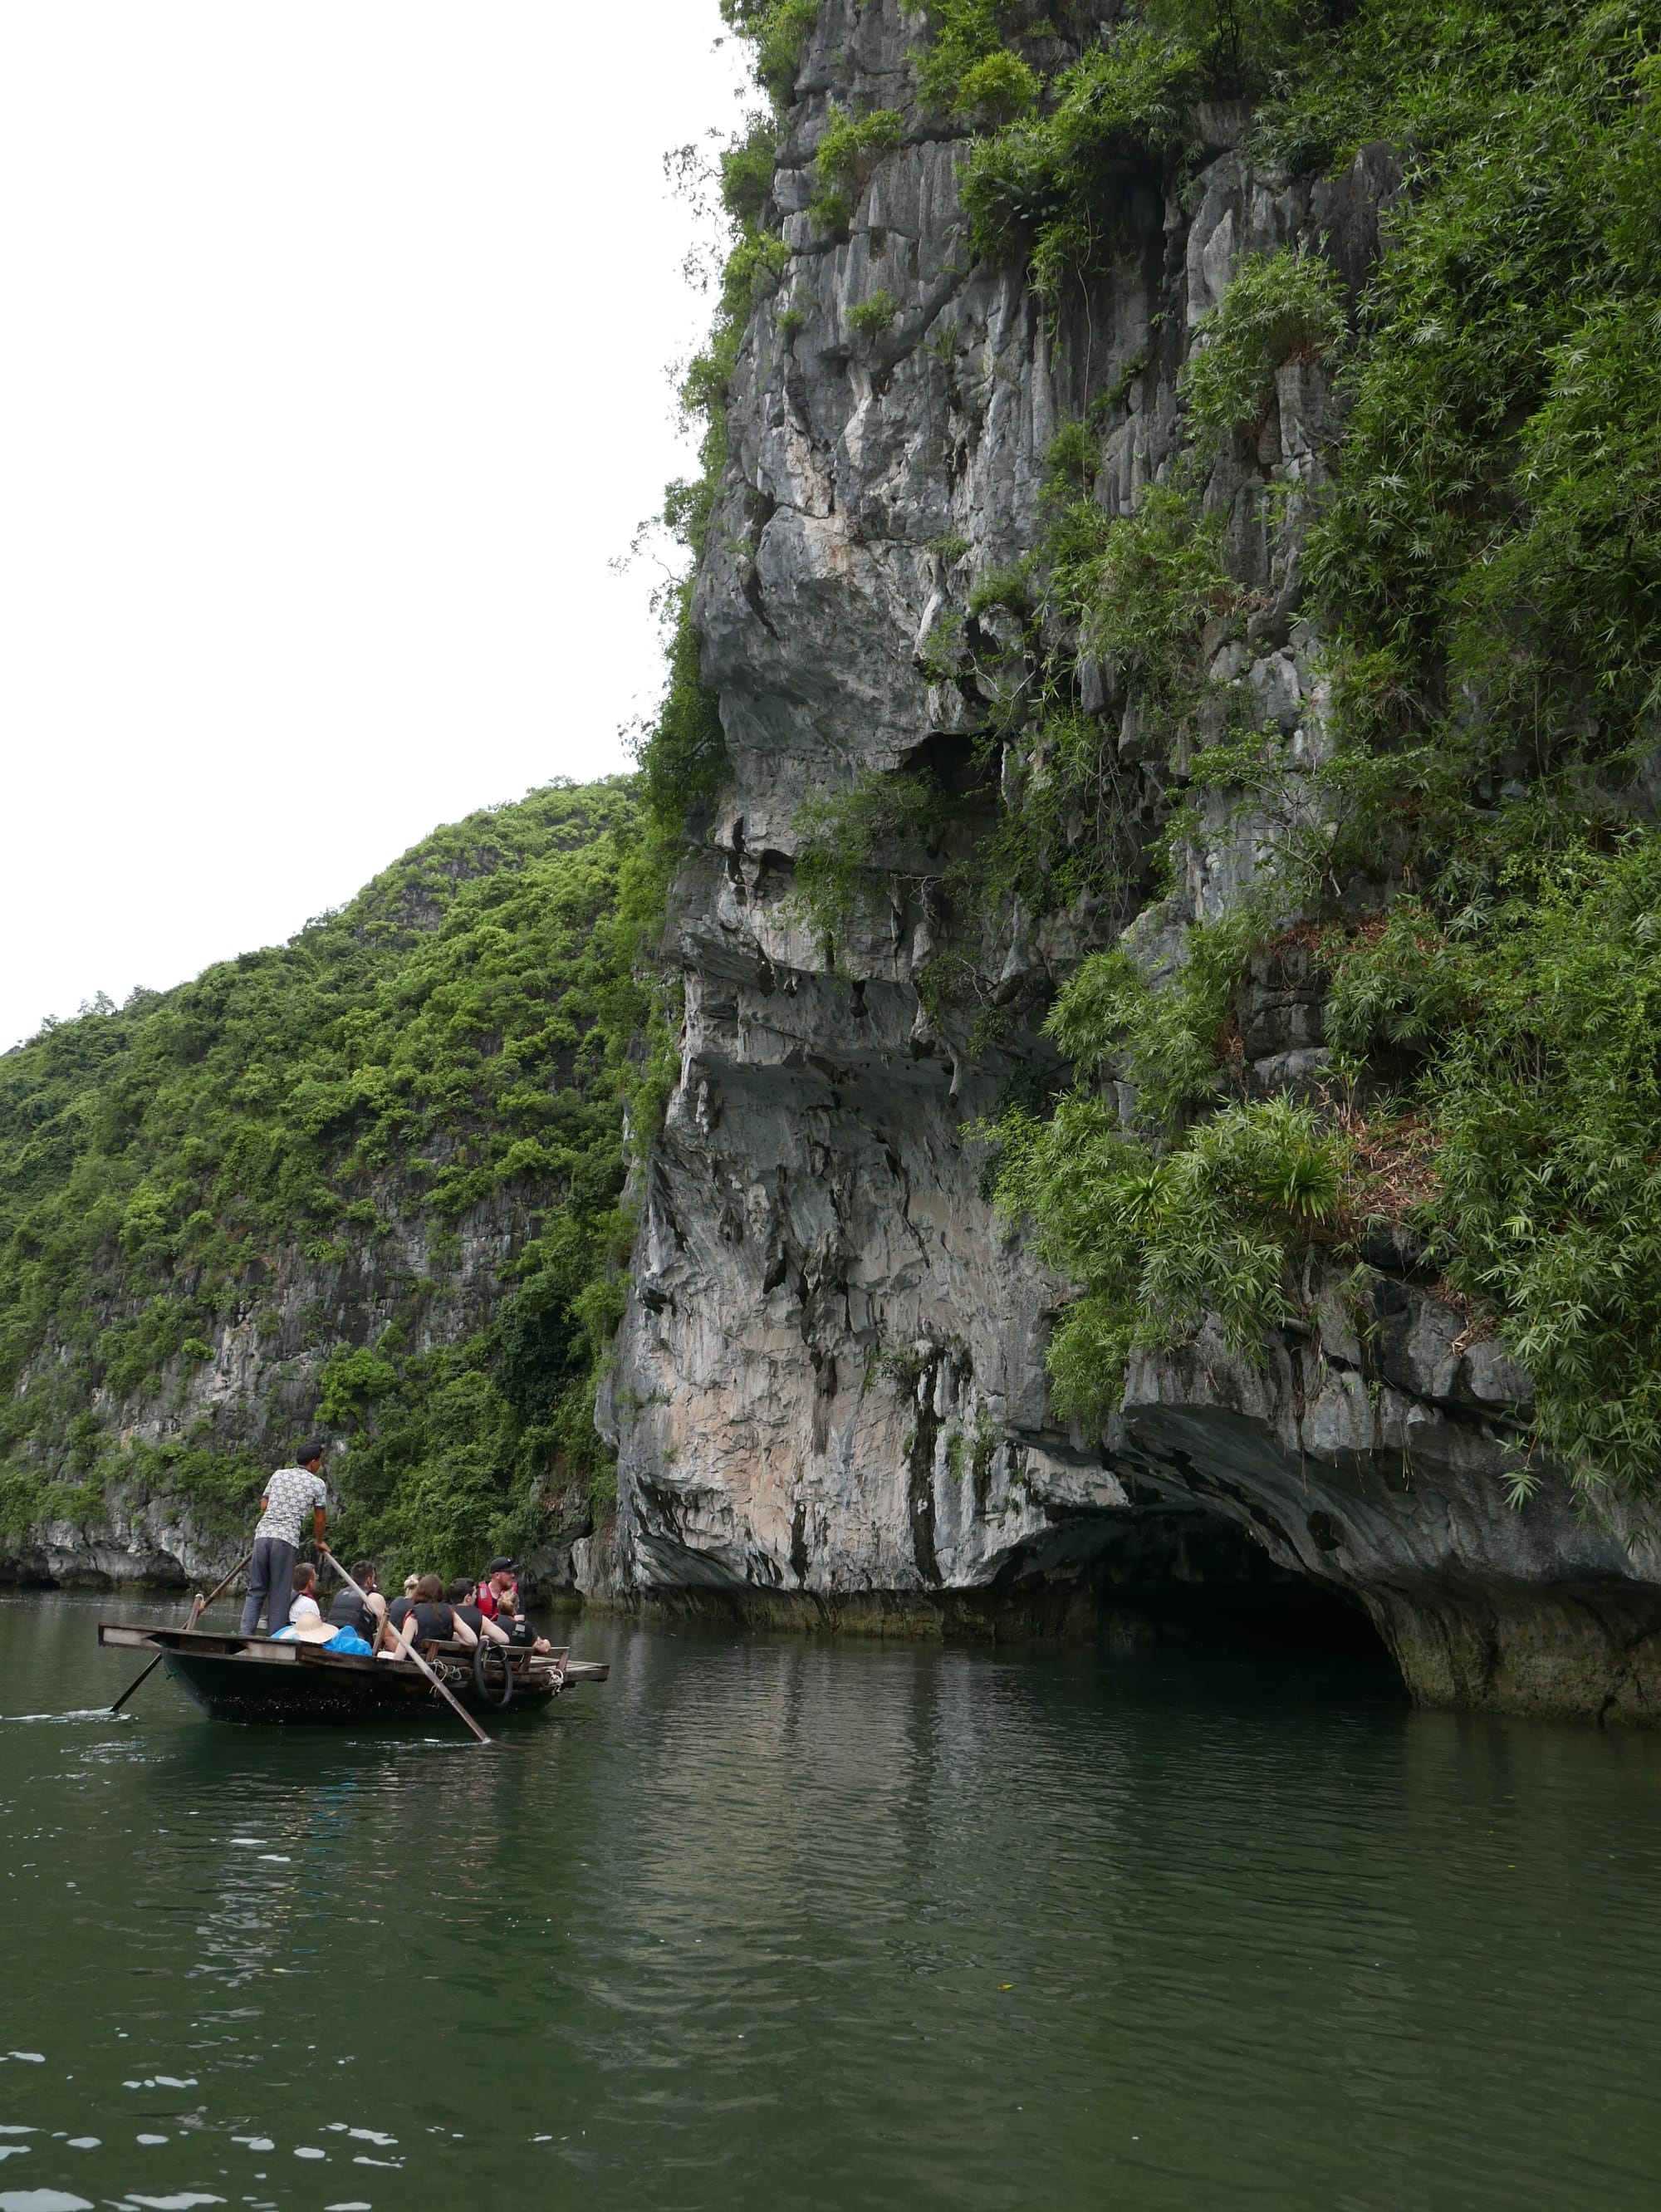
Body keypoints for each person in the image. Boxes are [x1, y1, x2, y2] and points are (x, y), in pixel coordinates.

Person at [239, 1446, 329, 1636]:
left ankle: (245, 1635)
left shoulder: (279, 1475)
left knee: (256, 1589)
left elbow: (264, 1505)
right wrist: (319, 1541)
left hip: (262, 1536)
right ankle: (275, 1639)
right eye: (320, 1461)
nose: (320, 1465)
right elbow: (319, 1519)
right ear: (313, 1462)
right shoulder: (317, 1484)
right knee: (279, 1595)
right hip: (285, 1540)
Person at [327, 1560, 386, 1642]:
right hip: (357, 1646)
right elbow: (387, 1635)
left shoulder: (339, 1594)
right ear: (369, 1580)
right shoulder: (375, 1598)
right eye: (374, 1578)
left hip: (332, 1641)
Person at [448, 1575, 511, 1647]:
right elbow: (504, 1639)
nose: (476, 1596)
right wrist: (482, 1638)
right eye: (474, 1594)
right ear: (467, 1598)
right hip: (470, 1658)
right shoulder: (481, 1619)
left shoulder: (445, 1614)